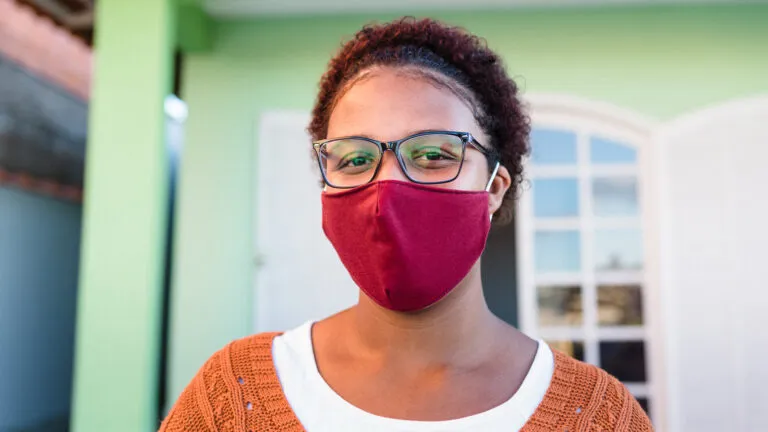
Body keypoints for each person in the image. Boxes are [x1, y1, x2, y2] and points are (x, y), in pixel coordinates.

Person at [160, 17, 653, 432]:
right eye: (355, 159)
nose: (385, 189)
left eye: (434, 154)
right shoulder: (233, 397)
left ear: (495, 187)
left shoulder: (597, 415)